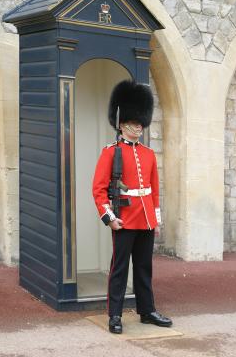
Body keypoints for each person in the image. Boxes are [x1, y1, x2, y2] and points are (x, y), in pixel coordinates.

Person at [92, 79, 172, 334]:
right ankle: (115, 314)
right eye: (134, 123)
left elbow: (154, 190)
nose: (138, 127)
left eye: (140, 123)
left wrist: (155, 219)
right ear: (123, 124)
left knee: (144, 267)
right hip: (124, 217)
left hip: (146, 218)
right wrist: (109, 217)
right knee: (119, 268)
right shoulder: (110, 152)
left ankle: (147, 311)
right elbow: (98, 189)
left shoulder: (148, 154)